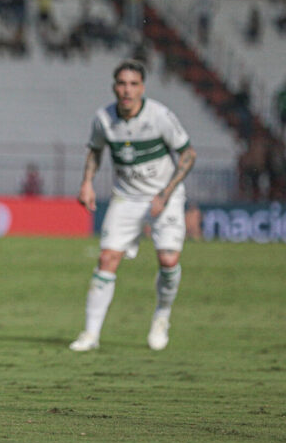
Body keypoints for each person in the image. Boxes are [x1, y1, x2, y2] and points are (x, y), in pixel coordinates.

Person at [70, 59, 197, 353]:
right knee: (107, 259)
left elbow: (187, 154)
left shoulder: (160, 116)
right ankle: (90, 334)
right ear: (114, 86)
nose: (127, 90)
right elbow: (95, 150)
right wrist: (87, 182)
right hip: (127, 197)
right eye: (122, 84)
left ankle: (162, 318)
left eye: (133, 84)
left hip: (165, 197)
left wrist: (165, 194)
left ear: (142, 88)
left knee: (168, 261)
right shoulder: (103, 119)